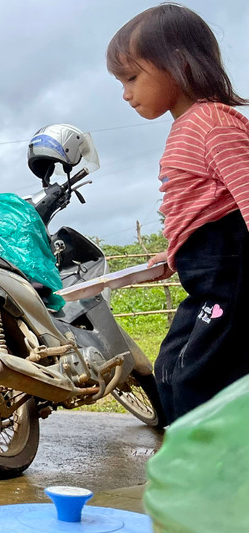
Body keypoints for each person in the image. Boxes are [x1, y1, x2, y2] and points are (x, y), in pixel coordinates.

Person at [107, 3, 249, 424]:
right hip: (204, 277)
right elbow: (200, 208)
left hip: (232, 276)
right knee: (169, 371)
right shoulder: (185, 126)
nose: (126, 94)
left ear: (178, 64)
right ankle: (197, 454)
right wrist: (174, 251)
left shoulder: (213, 123)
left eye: (132, 78)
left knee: (199, 379)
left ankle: (216, 461)